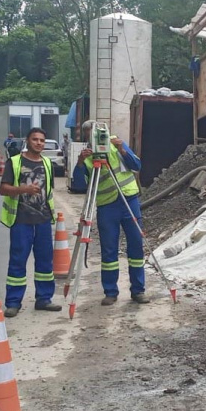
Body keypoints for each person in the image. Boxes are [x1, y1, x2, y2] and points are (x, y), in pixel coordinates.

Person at [73, 120, 149, 306]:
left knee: (136, 246)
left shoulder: (117, 144)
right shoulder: (89, 156)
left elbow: (136, 165)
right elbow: (79, 185)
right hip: (107, 206)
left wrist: (122, 149)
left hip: (128, 200)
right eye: (92, 134)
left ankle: (138, 290)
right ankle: (110, 291)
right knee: (109, 251)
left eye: (99, 133)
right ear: (86, 137)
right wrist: (81, 163)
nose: (97, 137)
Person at [0, 127, 62, 317]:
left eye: (42, 140)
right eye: (35, 140)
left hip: (42, 219)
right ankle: (13, 302)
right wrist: (23, 189)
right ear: (28, 141)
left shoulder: (47, 163)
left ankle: (44, 299)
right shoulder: (15, 162)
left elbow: (48, 191)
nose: (39, 143)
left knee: (45, 261)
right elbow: (3, 189)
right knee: (18, 260)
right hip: (21, 219)